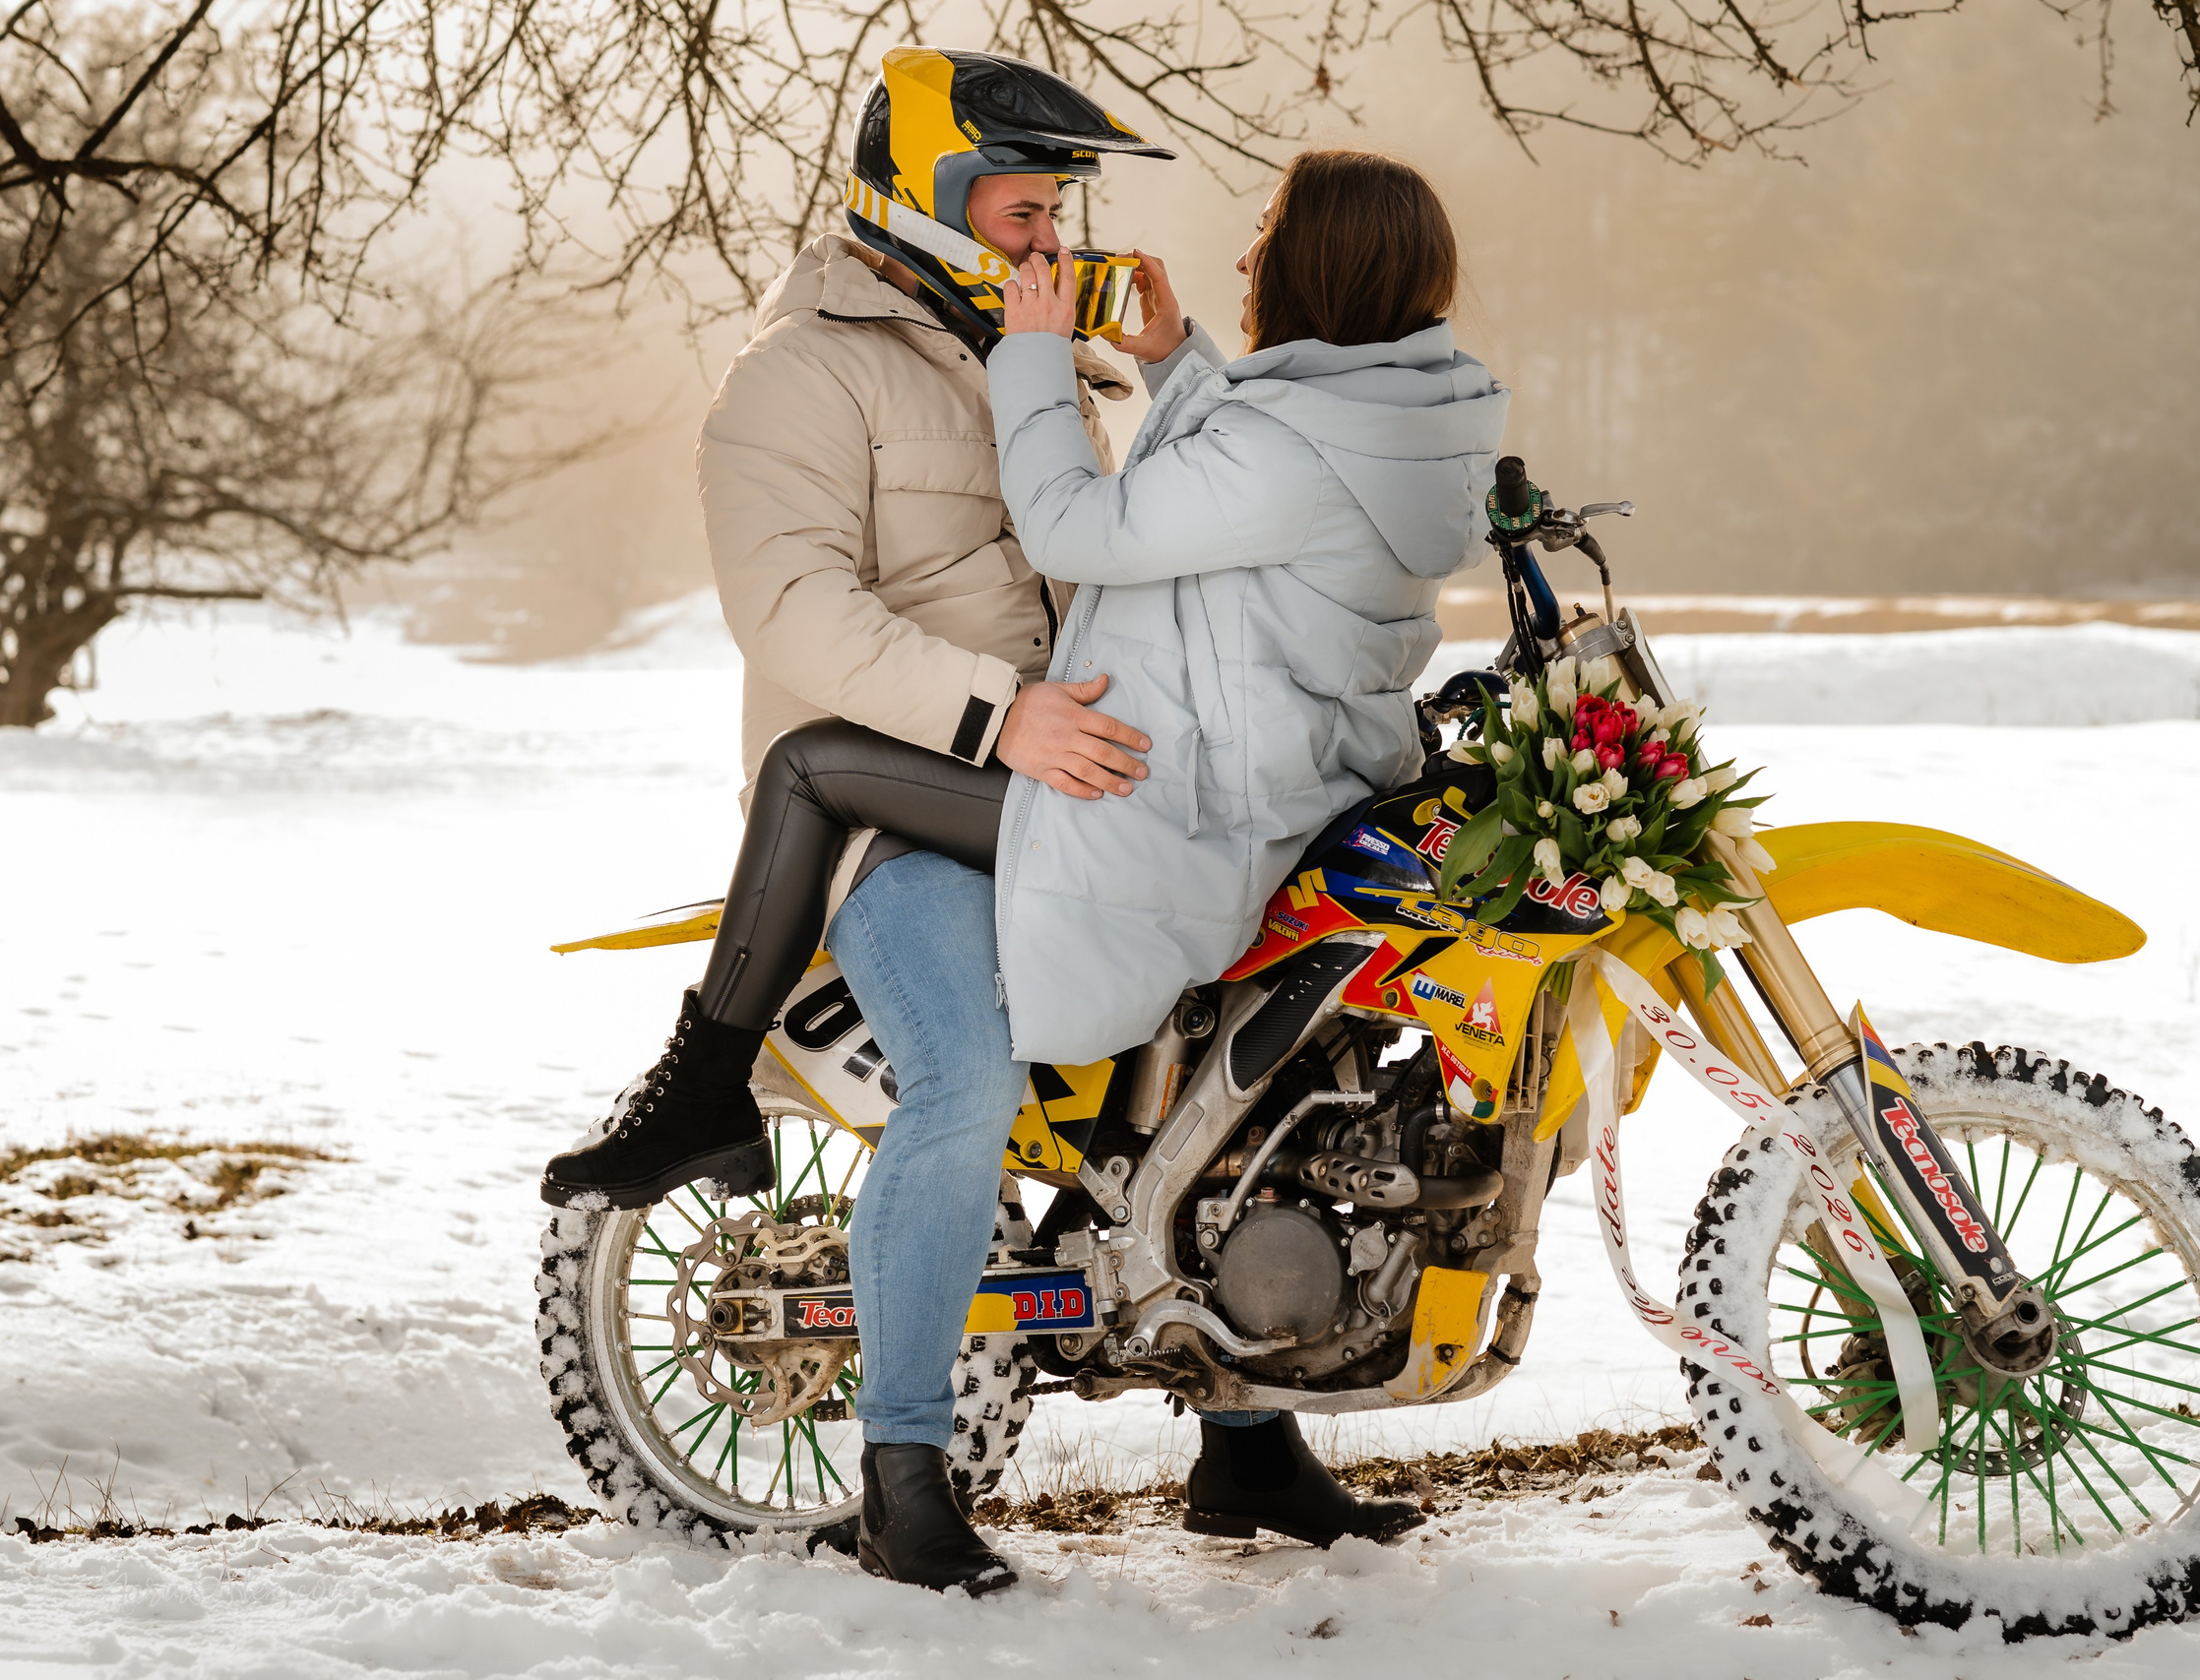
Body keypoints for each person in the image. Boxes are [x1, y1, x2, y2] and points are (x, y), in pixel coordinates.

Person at [540, 47, 1508, 1597]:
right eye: (1022, 206)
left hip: (1069, 793)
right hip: (895, 812)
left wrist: (1165, 369)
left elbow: (1154, 544)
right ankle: (901, 1477)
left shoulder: (1036, 355)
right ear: (925, 199)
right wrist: (999, 715)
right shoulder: (798, 376)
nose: (1052, 233)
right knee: (968, 1078)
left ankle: (1245, 1443)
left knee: (1235, 1058)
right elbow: (790, 610)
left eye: (1061, 207)